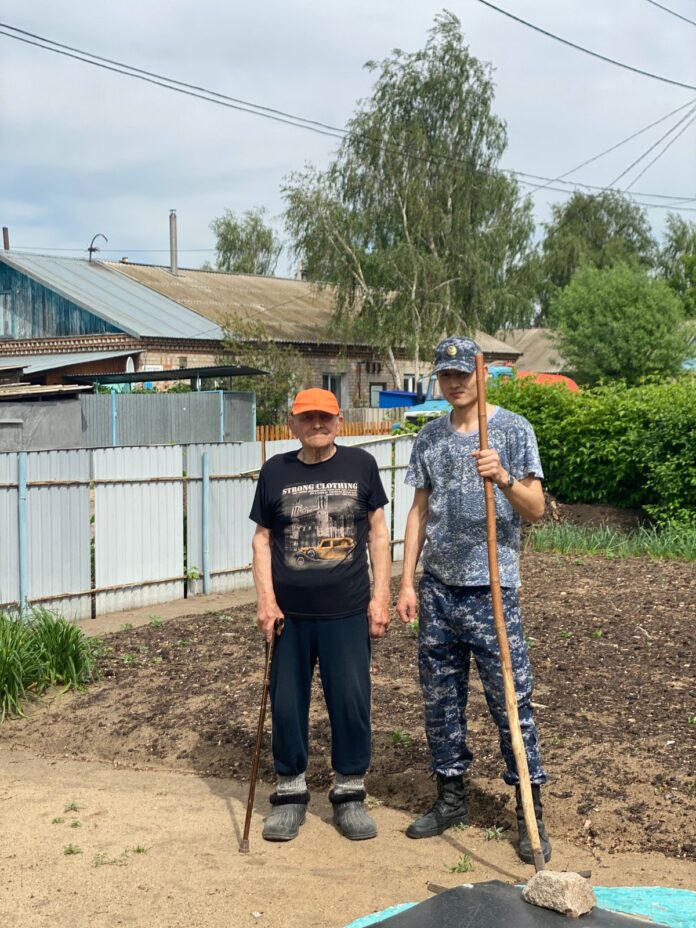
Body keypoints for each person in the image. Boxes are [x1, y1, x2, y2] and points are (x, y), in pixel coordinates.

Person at [395, 336, 552, 864]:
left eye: (463, 374)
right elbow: (419, 512)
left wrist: (501, 476)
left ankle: (529, 811)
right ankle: (451, 798)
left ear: (482, 374)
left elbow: (536, 509)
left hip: (492, 591)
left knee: (511, 701)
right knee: (440, 699)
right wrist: (407, 581)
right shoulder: (429, 437)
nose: (455, 383)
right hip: (438, 589)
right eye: (446, 375)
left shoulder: (513, 430)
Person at [249, 387, 391, 843]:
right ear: (292, 423)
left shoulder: (361, 465)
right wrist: (266, 602)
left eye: (325, 417)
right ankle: (290, 795)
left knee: (351, 702)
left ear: (339, 422)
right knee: (287, 704)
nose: (317, 425)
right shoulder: (276, 470)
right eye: (307, 417)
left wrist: (381, 596)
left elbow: (378, 534)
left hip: (347, 612)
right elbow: (262, 540)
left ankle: (349, 794)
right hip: (289, 617)